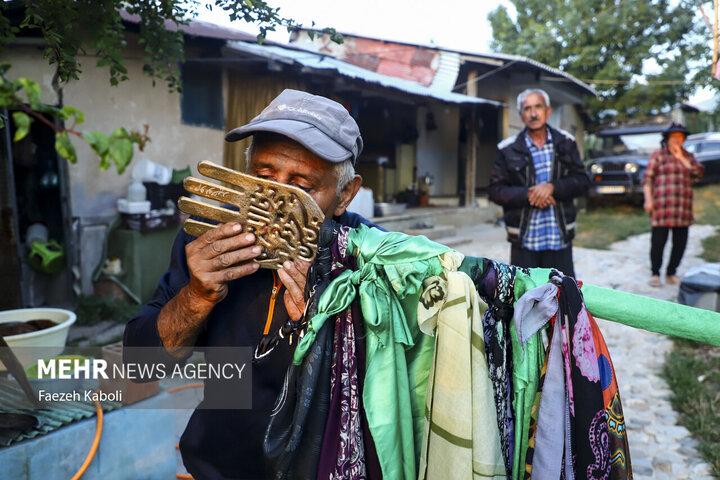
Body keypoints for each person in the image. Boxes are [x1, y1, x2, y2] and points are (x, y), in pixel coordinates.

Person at [123, 89, 381, 479]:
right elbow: (142, 364)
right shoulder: (211, 240)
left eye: (302, 186)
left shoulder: (372, 260)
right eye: (263, 177)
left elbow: (397, 393)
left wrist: (327, 322)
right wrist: (197, 295)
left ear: (344, 194)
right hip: (218, 467)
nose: (276, 202)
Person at [488, 88, 589, 277]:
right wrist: (529, 194)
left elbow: (582, 181)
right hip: (524, 240)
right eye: (527, 109)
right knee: (525, 300)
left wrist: (552, 188)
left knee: (563, 299)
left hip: (559, 238)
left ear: (548, 111)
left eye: (538, 107)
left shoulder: (566, 142)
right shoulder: (507, 149)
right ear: (521, 115)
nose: (533, 114)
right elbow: (495, 190)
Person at [643, 122, 704, 287]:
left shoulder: (689, 157)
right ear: (668, 139)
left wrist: (681, 159)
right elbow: (647, 180)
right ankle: (655, 273)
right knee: (658, 242)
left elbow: (698, 173)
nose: (677, 139)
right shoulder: (658, 156)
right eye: (674, 136)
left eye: (680, 136)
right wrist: (648, 199)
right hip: (661, 207)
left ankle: (671, 272)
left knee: (680, 243)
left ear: (684, 139)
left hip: (682, 208)